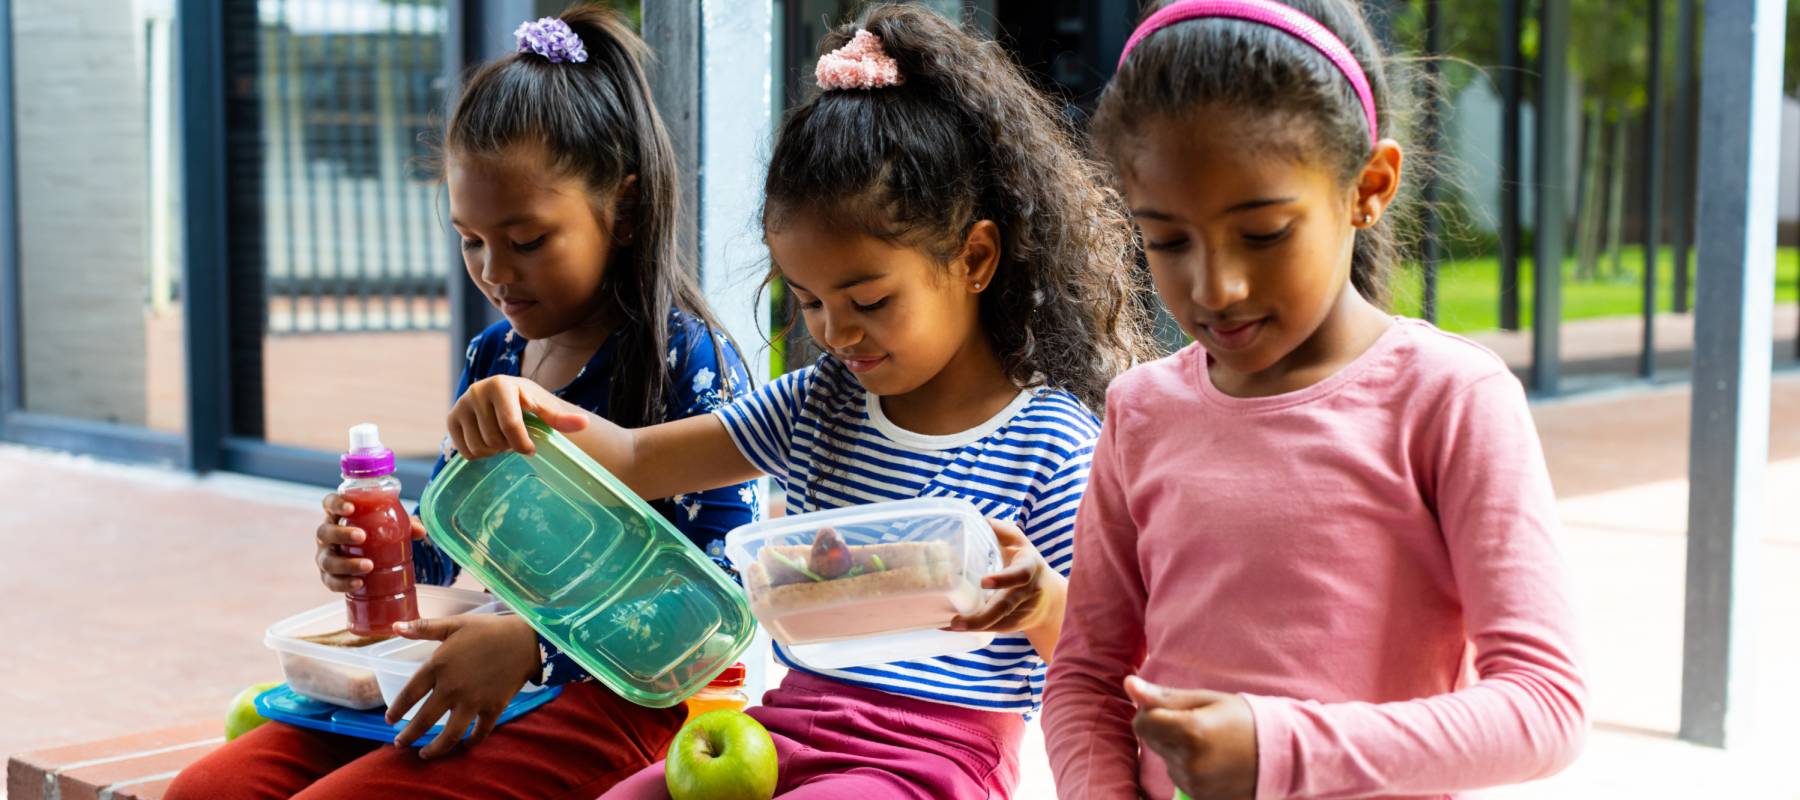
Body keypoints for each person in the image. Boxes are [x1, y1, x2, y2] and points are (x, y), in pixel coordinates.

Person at [448, 6, 1157, 797]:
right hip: (784, 728)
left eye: (869, 299)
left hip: (935, 758)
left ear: (975, 258)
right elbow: (638, 459)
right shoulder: (819, 401)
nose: (837, 333)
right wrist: (521, 408)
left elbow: (1103, 658)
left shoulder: (1052, 441)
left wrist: (1040, 600)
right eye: (810, 302)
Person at [166, 9, 759, 799]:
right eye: (470, 239)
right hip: (485, 679)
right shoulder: (495, 358)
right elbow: (465, 556)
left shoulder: (686, 361)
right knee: (211, 790)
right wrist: (385, 553)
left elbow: (718, 600)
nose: (494, 271)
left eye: (527, 240)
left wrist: (531, 647)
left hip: (617, 703)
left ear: (622, 208)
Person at [1043, 1, 1588, 798]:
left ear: (1369, 187)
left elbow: (1546, 706)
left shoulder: (1449, 399)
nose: (1214, 287)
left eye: (1262, 233)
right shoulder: (1141, 411)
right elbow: (1086, 677)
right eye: (1165, 239)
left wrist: (1280, 748)